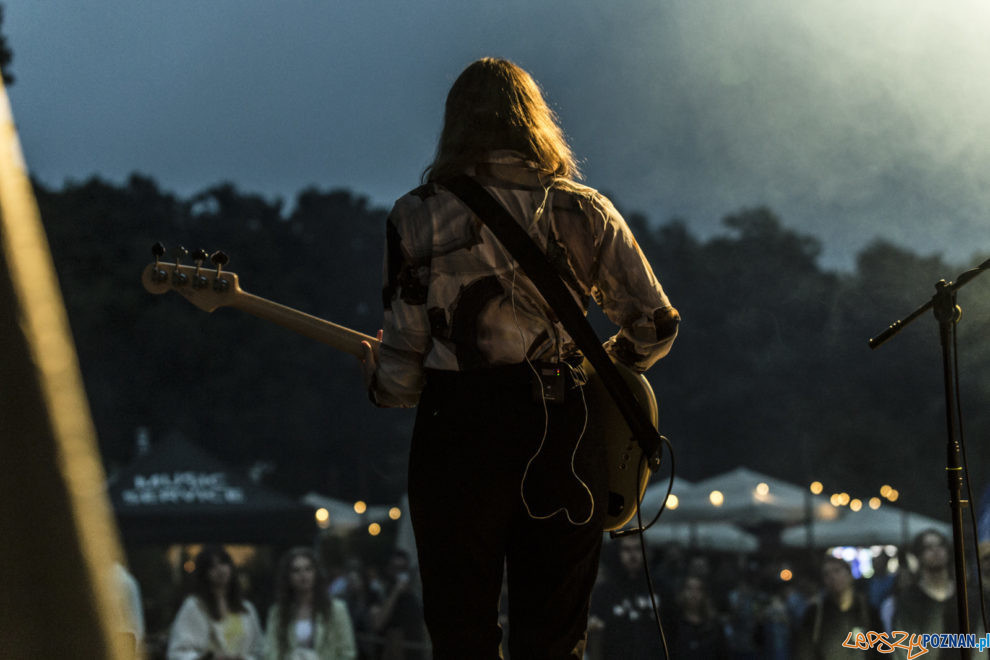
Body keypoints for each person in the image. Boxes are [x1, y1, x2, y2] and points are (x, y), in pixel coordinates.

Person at [359, 57, 679, 659]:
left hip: (458, 434)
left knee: (462, 634)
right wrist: (599, 362)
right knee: (555, 638)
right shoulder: (584, 210)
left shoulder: (417, 213)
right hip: (564, 425)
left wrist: (381, 378)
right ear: (534, 122)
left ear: (456, 126)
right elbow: (656, 324)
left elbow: (401, 377)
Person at [167, 545, 264, 660]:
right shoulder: (194, 607)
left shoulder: (247, 609)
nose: (220, 570)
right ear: (204, 573)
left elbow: (259, 650)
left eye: (223, 563)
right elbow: (178, 652)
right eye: (212, 567)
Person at [264, 547, 357, 660]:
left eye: (308, 569)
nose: (303, 575)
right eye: (296, 570)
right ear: (288, 577)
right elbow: (270, 651)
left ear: (316, 572)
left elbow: (348, 653)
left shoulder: (337, 609)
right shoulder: (277, 612)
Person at [886, 529, 958, 659]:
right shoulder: (908, 600)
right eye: (928, 547)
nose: (936, 551)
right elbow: (903, 649)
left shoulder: (967, 596)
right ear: (919, 555)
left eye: (940, 545)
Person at [794, 556, 882, 660]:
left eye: (837, 571)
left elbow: (880, 649)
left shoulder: (867, 611)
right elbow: (805, 650)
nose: (832, 577)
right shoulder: (815, 614)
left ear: (849, 575)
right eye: (827, 574)